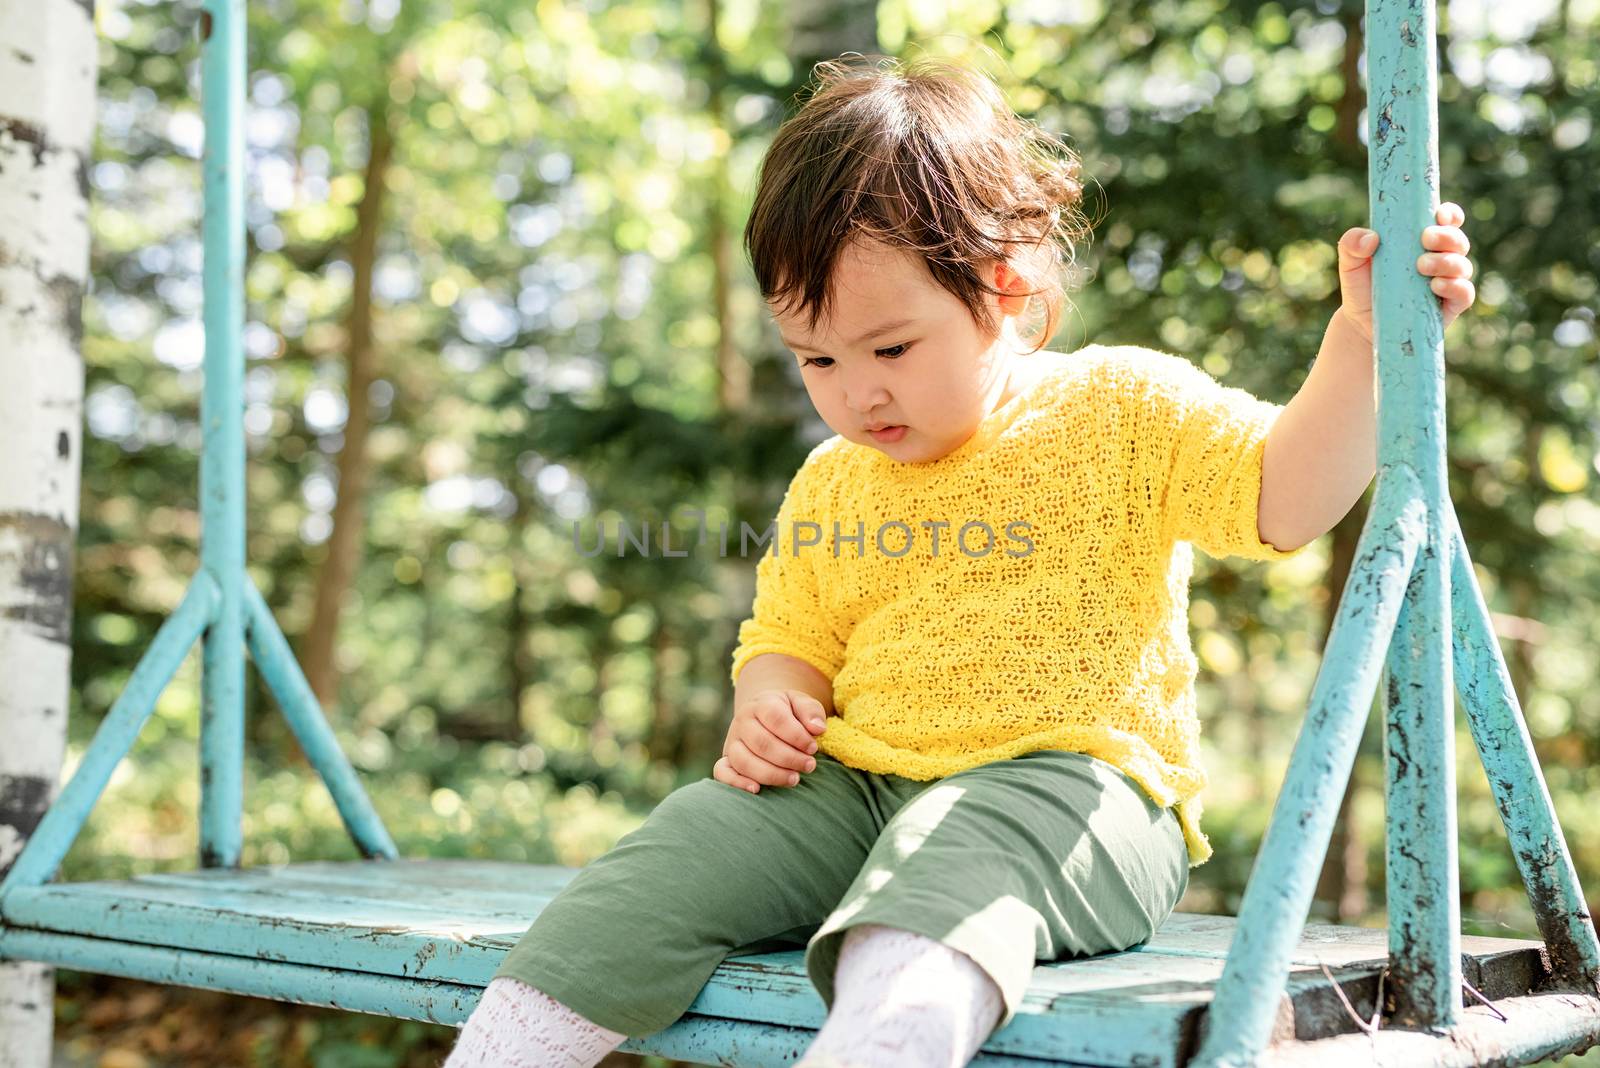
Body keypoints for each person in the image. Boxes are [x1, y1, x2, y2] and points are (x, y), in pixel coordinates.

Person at [444, 53, 1476, 1068]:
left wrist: (1361, 337)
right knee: (664, 865)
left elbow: (1283, 498)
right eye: (817, 359)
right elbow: (791, 636)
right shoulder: (832, 483)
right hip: (853, 789)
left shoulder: (1117, 407)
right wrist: (770, 698)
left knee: (942, 873)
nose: (856, 394)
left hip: (1073, 790)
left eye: (889, 349)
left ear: (1003, 283)